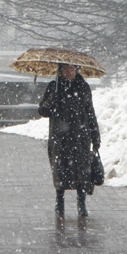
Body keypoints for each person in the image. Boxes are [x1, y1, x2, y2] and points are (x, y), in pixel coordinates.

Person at [38, 63, 101, 217]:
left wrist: (95, 136)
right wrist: (52, 101)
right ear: (60, 70)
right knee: (60, 169)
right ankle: (59, 202)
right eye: (65, 69)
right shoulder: (54, 87)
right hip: (60, 137)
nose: (69, 72)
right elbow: (42, 111)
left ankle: (81, 203)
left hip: (80, 137)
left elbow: (90, 112)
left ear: (77, 70)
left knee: (82, 170)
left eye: (72, 69)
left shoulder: (83, 87)